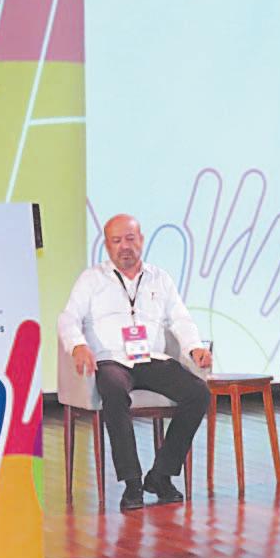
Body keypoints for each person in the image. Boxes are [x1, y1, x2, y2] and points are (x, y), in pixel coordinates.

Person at [58, 213, 211, 510]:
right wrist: (77, 345)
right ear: (106, 245)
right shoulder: (92, 279)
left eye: (130, 239)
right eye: (116, 241)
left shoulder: (159, 278)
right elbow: (68, 319)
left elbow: (180, 318)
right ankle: (132, 482)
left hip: (151, 359)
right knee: (113, 391)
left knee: (198, 393)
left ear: (141, 240)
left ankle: (161, 475)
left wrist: (194, 348)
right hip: (112, 360)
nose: (124, 246)